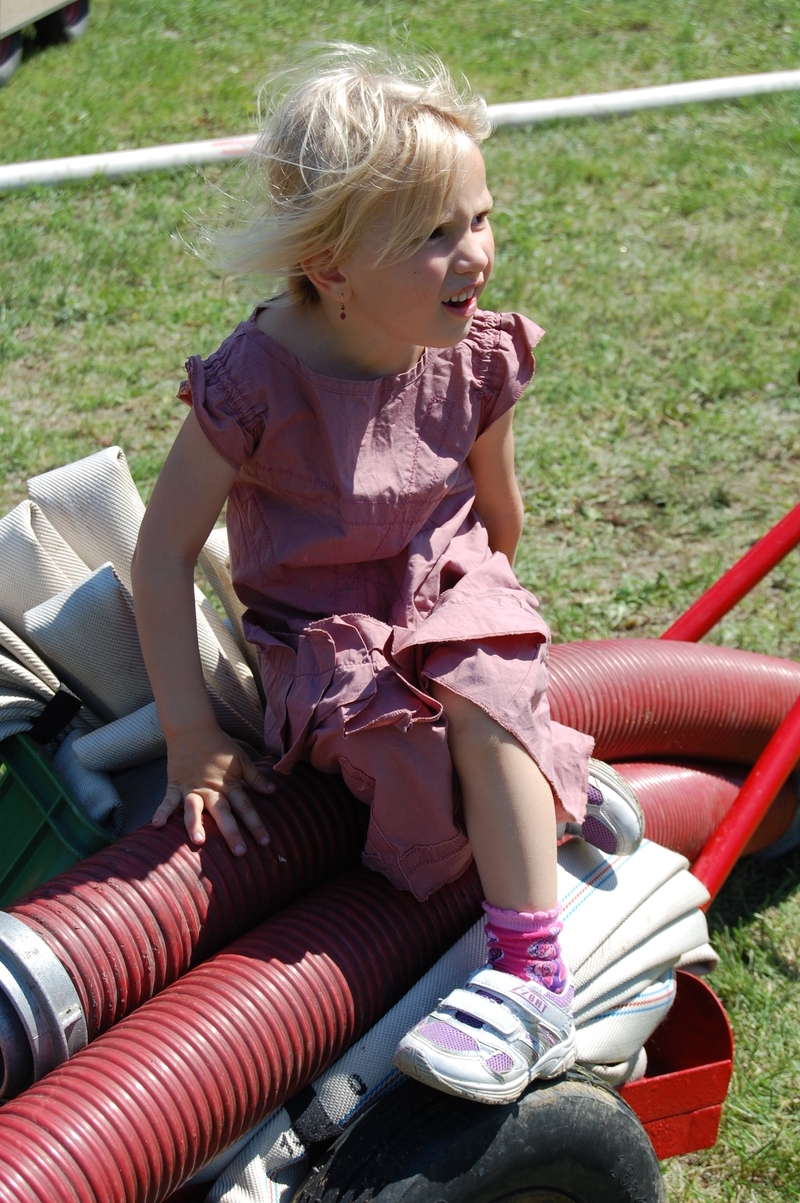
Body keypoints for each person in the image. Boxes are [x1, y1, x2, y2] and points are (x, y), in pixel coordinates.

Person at [131, 45, 643, 1107]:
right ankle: (533, 783)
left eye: (479, 218)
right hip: (329, 641)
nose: (475, 255)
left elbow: (497, 516)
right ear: (330, 268)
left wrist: (491, 653)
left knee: (483, 679)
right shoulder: (254, 383)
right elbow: (163, 550)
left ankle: (531, 977)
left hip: (447, 590)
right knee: (415, 760)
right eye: (433, 236)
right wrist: (189, 734)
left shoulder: (473, 354)